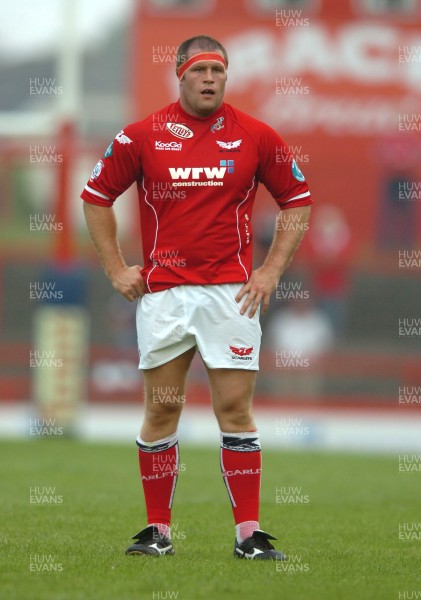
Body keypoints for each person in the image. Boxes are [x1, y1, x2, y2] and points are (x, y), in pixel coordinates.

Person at [82, 35, 312, 560]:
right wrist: (116, 268)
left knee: (235, 408)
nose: (210, 79)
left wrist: (272, 270)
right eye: (200, 70)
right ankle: (158, 532)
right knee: (162, 411)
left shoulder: (256, 135)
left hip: (232, 296)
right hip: (165, 294)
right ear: (180, 74)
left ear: (226, 77)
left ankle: (248, 535)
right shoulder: (142, 136)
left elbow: (298, 200)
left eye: (218, 71)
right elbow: (95, 197)